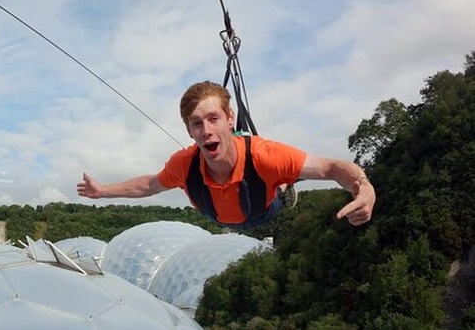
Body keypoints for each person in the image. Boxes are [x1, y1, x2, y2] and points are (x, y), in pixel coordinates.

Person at [77, 81, 375, 229]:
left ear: (229, 119)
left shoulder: (265, 156)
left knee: (277, 184)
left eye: (213, 119)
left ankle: (284, 187)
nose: (206, 130)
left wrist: (362, 186)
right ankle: (280, 184)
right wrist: (102, 191)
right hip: (218, 216)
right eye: (197, 123)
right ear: (189, 130)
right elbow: (151, 185)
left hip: (262, 211)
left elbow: (331, 168)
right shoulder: (185, 163)